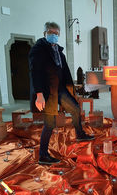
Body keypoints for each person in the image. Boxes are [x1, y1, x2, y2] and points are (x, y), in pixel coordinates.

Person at [29, 22, 94, 165]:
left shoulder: (59, 51)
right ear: (45, 33)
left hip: (60, 89)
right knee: (50, 124)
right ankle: (43, 155)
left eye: (57, 33)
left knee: (75, 109)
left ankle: (80, 134)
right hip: (47, 91)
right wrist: (39, 94)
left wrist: (71, 90)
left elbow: (65, 72)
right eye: (51, 33)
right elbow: (35, 73)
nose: (54, 35)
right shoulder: (38, 50)